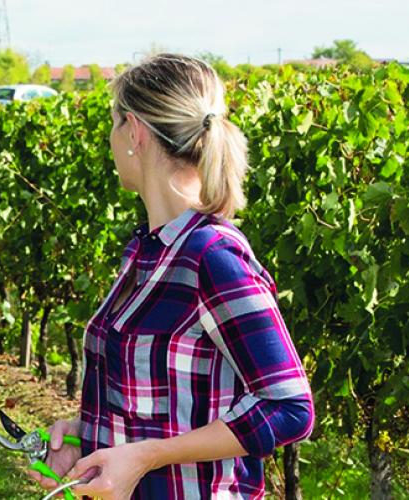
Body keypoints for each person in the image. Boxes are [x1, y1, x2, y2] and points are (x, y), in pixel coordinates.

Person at [27, 54, 315, 499]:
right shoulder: (149, 253)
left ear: (135, 133)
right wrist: (86, 436)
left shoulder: (212, 258)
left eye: (115, 124)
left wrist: (147, 457)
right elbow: (160, 401)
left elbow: (290, 407)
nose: (111, 138)